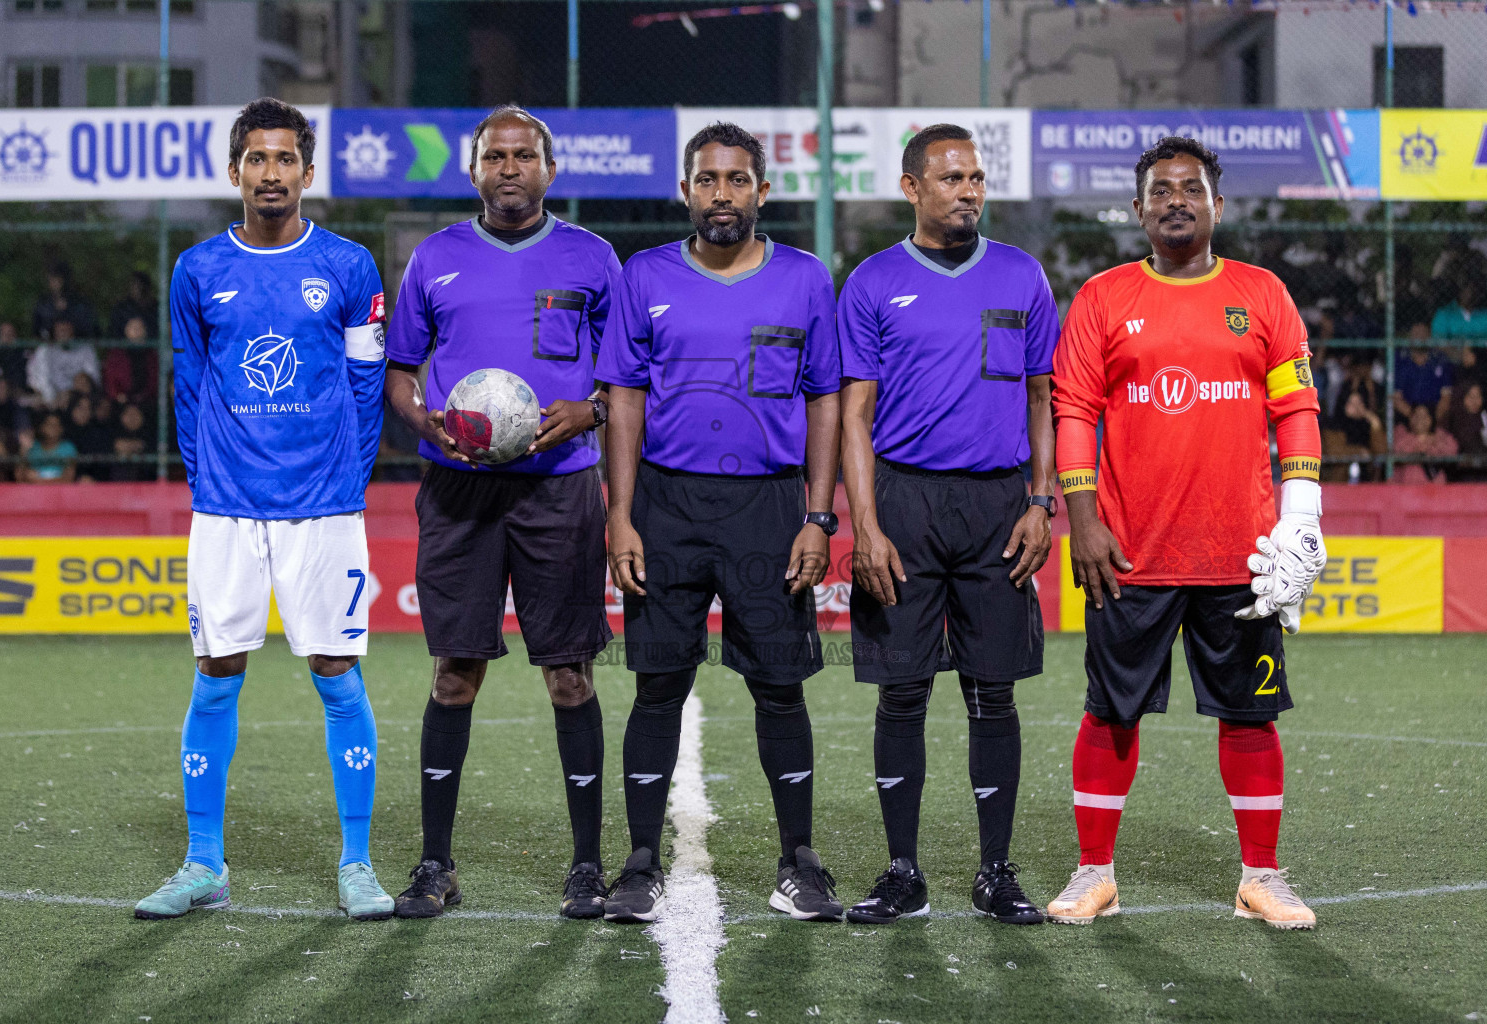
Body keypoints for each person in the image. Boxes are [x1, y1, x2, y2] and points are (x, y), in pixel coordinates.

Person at [1046, 137, 1326, 931]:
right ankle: (1095, 872)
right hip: (1129, 552)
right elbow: (1075, 412)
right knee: (1111, 712)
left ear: (1217, 205)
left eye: (1191, 189)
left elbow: (1295, 409)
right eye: (1161, 191)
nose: (1177, 200)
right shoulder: (1101, 298)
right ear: (1137, 211)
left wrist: (1300, 514)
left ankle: (1260, 878)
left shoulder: (1263, 294)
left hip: (1242, 553)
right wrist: (1084, 519)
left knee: (1250, 714)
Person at [133, 97, 394, 922]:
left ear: (307, 173)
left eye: (286, 159)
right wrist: (206, 476)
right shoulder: (198, 269)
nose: (271, 173)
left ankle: (356, 863)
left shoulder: (350, 267)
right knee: (215, 674)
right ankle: (203, 862)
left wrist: (344, 481)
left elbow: (365, 383)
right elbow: (190, 381)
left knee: (337, 675)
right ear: (236, 170)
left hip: (323, 508)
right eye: (257, 158)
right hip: (226, 508)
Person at [598, 122, 843, 923]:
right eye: (708, 180)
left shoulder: (806, 280)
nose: (723, 194)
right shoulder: (645, 275)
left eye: (738, 180)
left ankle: (800, 860)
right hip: (666, 505)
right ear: (686, 191)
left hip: (770, 508)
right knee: (657, 687)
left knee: (781, 691)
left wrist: (817, 515)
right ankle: (638, 863)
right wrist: (621, 514)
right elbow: (624, 399)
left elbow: (825, 401)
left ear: (762, 192)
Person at [382, 105, 622, 920]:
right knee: (455, 674)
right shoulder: (436, 257)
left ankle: (587, 865)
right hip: (458, 488)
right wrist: (424, 420)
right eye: (495, 156)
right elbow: (401, 374)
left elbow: (626, 381)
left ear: (550, 169)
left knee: (568, 674)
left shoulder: (592, 258)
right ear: (474, 168)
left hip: (561, 486)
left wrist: (587, 410)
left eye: (524, 155)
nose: (509, 167)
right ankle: (434, 865)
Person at [835, 124, 1058, 926]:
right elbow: (852, 418)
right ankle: (903, 872)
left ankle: (996, 871)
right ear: (913, 188)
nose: (968, 190)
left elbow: (1042, 400)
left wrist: (1041, 500)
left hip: (1000, 505)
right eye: (951, 177)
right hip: (904, 504)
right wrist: (865, 524)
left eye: (975, 177)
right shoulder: (871, 281)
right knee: (902, 694)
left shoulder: (1023, 275)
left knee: (992, 693)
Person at [28, 317, 100, 407]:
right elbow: (41, 380)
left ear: (73, 330)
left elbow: (93, 378)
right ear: (54, 331)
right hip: (53, 400)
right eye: (60, 330)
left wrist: (74, 395)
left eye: (66, 329)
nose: (63, 333)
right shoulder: (45, 351)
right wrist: (53, 397)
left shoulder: (86, 349)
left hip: (81, 400)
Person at [1392, 322, 1453, 422]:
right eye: (1416, 333)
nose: (1420, 337)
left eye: (1423, 333)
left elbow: (1446, 397)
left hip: (1434, 416)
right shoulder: (1399, 359)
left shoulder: (1440, 359)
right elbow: (1396, 397)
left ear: (1429, 336)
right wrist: (1416, 419)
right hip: (1407, 417)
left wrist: (1430, 421)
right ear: (1409, 336)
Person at [1321, 389, 1384, 483]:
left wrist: (1375, 423)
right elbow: (1334, 451)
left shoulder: (1367, 427)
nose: (1356, 407)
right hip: (1337, 484)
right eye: (1351, 403)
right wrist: (1359, 451)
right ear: (1343, 404)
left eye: (1359, 402)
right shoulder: (1331, 426)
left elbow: (1382, 453)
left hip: (1366, 485)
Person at [33, 261, 98, 341]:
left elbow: (91, 329)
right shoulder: (44, 303)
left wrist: (71, 330)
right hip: (52, 345)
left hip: (77, 346)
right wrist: (52, 332)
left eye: (56, 278)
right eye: (51, 279)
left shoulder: (80, 302)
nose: (52, 282)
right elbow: (37, 329)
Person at [1392, 403, 1457, 484]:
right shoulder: (1401, 433)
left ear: (1431, 419)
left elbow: (1452, 451)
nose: (1420, 419)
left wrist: (1432, 442)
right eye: (1416, 415)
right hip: (1405, 487)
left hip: (1435, 489)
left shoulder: (1440, 435)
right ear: (1410, 419)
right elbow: (1396, 450)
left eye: (1424, 416)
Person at [1444, 382, 1487, 482]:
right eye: (1470, 396)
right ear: (1462, 397)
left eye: (1478, 396)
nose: (1475, 401)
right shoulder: (1453, 419)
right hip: (1461, 475)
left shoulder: (1484, 418)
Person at [20, 410, 77, 483]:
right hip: (35, 491)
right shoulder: (32, 447)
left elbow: (69, 478)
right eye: (49, 424)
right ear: (42, 427)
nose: (52, 428)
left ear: (61, 429)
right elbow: (20, 477)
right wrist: (23, 450)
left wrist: (40, 480)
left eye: (56, 425)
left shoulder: (68, 448)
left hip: (60, 492)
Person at [111, 401, 151, 482]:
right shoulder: (113, 432)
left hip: (145, 484)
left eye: (136, 414)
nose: (132, 418)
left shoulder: (150, 434)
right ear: (122, 417)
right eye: (129, 414)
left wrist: (129, 446)